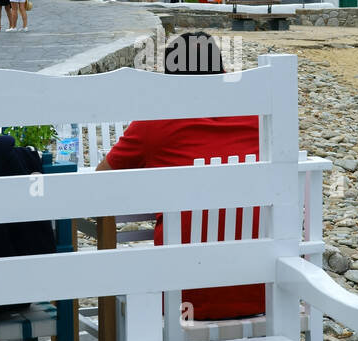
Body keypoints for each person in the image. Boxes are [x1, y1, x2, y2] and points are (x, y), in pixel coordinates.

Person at [96, 32, 263, 322]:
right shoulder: (259, 116)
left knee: (117, 276)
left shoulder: (155, 121)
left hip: (181, 296)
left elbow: (101, 180)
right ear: (222, 70)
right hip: (260, 292)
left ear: (170, 78)